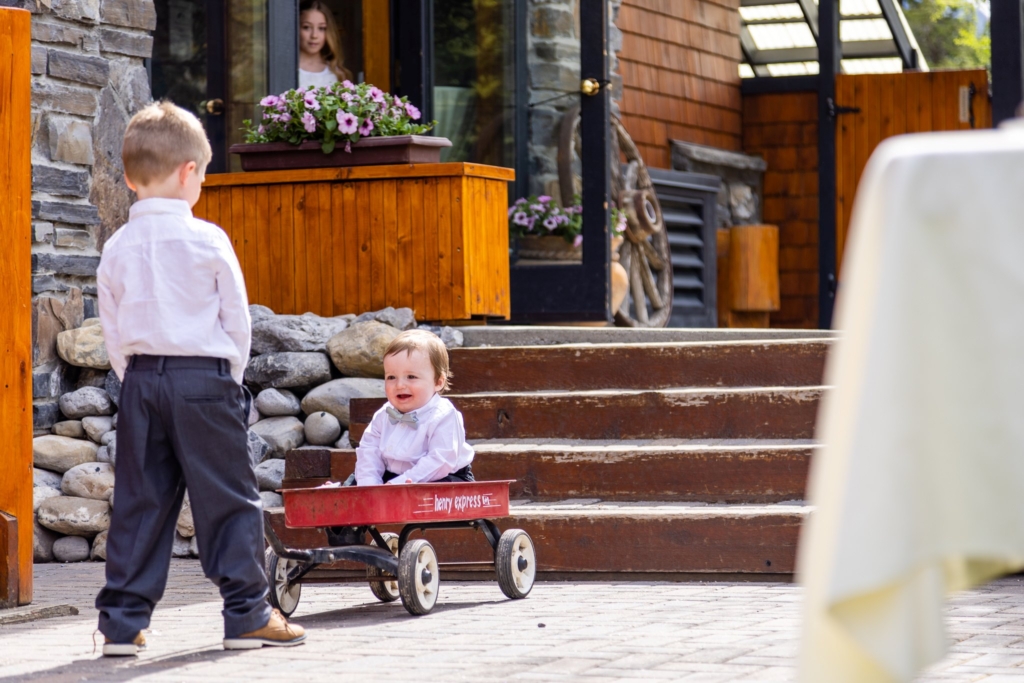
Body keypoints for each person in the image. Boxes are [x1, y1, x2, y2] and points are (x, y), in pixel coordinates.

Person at [93, 101, 306, 656]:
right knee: (228, 500)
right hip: (205, 380)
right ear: (189, 172)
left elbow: (112, 332)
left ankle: (121, 624)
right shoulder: (208, 240)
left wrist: (138, 378)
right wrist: (228, 381)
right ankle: (246, 615)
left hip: (140, 382)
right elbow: (236, 321)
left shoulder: (115, 247)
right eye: (204, 175)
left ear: (128, 176)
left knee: (140, 502)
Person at [354, 330, 475, 486]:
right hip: (391, 477)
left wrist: (401, 483)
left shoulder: (443, 415)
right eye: (391, 377)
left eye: (411, 377)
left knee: (435, 491)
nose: (399, 385)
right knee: (358, 480)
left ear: (438, 382)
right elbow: (369, 451)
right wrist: (369, 485)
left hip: (438, 475)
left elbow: (440, 460)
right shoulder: (384, 414)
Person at [298, 0, 351, 90]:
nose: (314, 35)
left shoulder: (336, 73)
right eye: (306, 27)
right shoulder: (287, 69)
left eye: (321, 28)